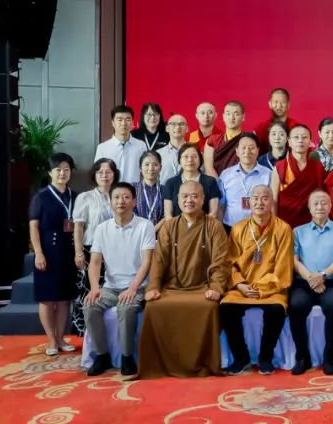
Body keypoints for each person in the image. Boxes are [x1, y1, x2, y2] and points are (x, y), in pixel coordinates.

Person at [139, 179, 230, 379]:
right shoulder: (169, 226)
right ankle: (161, 363)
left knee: (209, 306)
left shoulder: (214, 226)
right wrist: (153, 287)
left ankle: (203, 362)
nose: (189, 200)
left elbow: (221, 262)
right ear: (178, 199)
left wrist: (216, 287)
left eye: (195, 196)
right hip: (172, 286)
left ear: (203, 199)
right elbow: (159, 260)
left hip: (203, 287)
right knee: (153, 306)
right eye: (185, 196)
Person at [83, 182, 156, 377]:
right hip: (110, 287)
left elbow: (147, 262)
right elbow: (95, 262)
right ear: (110, 202)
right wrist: (94, 288)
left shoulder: (145, 226)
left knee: (126, 308)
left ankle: (127, 357)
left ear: (134, 202)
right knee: (90, 306)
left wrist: (133, 288)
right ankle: (102, 356)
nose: (121, 201)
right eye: (116, 197)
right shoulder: (102, 228)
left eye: (126, 197)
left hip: (138, 285)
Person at [220, 184, 294, 375]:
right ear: (249, 202)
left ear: (272, 202)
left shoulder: (283, 229)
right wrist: (240, 285)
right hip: (242, 287)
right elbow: (229, 263)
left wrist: (261, 289)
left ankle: (265, 357)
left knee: (276, 310)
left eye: (264, 198)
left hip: (271, 288)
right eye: (255, 198)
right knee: (226, 308)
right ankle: (241, 357)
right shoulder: (238, 229)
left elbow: (283, 268)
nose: (260, 202)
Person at [289, 190, 333, 376]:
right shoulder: (298, 231)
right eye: (315, 203)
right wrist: (311, 279)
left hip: (331, 282)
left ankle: (329, 358)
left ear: (330, 206)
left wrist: (322, 275)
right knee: (296, 306)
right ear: (309, 207)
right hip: (304, 282)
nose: (320, 206)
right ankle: (302, 357)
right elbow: (295, 260)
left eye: (324, 203)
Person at [29, 153, 79, 357]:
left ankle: (60, 338)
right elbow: (34, 227)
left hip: (69, 251)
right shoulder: (41, 196)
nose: (62, 173)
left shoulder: (76, 196)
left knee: (65, 299)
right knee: (47, 299)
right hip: (48, 252)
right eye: (58, 170)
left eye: (66, 170)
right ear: (50, 172)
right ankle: (51, 339)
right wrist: (38, 253)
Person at [73, 159, 118, 335]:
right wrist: (78, 252)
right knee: (89, 291)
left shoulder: (119, 195)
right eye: (100, 172)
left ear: (114, 174)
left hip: (115, 251)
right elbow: (78, 226)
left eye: (108, 172)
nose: (104, 176)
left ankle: (109, 332)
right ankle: (86, 332)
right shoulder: (85, 197)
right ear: (94, 175)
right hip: (90, 250)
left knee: (110, 291)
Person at [271, 124, 327, 229]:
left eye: (304, 137)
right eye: (296, 137)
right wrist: (274, 225)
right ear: (289, 142)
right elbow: (274, 199)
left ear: (310, 142)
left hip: (311, 224)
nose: (300, 140)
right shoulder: (280, 167)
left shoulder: (317, 167)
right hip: (285, 223)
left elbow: (322, 196)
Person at [217, 134, 270, 229]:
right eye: (243, 148)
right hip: (230, 229)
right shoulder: (226, 175)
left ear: (258, 150)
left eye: (251, 148)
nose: (247, 151)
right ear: (237, 151)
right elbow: (220, 206)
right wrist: (220, 229)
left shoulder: (269, 174)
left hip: (260, 228)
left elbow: (272, 204)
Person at [162, 143, 221, 220]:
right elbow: (168, 215)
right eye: (186, 157)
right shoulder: (170, 183)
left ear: (200, 160)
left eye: (194, 156)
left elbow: (213, 213)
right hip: (177, 226)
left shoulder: (210, 182)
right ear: (179, 160)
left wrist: (199, 226)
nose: (190, 160)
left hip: (205, 226)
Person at [95, 105, 148, 185]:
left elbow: (145, 171)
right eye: (119, 120)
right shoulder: (103, 148)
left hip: (134, 190)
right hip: (111, 190)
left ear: (132, 122)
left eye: (128, 119)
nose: (124, 123)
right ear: (113, 123)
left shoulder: (141, 146)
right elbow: (98, 173)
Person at [203, 101, 245, 178]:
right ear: (223, 117)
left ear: (243, 117)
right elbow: (209, 168)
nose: (232, 118)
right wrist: (219, 183)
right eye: (228, 114)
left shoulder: (247, 139)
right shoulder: (213, 140)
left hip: (241, 181)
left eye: (236, 114)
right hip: (216, 182)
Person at [252, 87, 298, 154]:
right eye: (275, 102)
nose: (279, 106)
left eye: (283, 102)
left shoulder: (296, 127)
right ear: (270, 104)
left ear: (288, 104)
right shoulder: (260, 128)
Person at [135, 151, 165, 227]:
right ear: (140, 168)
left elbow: (167, 215)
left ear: (160, 168)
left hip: (160, 232)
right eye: (147, 164)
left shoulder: (165, 189)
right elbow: (130, 213)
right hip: (137, 231)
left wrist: (153, 230)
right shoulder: (132, 189)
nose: (151, 168)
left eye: (155, 164)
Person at [157, 113, 189, 183]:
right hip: (164, 189)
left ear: (187, 129)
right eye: (173, 124)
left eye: (181, 124)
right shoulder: (157, 154)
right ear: (167, 128)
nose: (177, 127)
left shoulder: (196, 153)